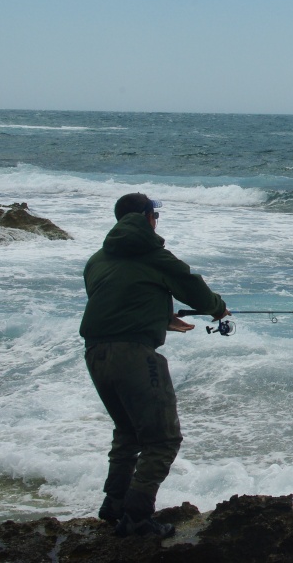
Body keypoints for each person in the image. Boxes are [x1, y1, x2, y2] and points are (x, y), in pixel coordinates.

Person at [79, 193, 230, 538]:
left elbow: (116, 300)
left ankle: (114, 505)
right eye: (155, 215)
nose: (156, 221)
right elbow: (195, 289)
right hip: (134, 355)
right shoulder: (155, 256)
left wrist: (161, 317)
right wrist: (219, 309)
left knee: (128, 433)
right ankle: (137, 518)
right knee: (162, 439)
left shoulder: (97, 261)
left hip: (96, 353)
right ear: (146, 218)